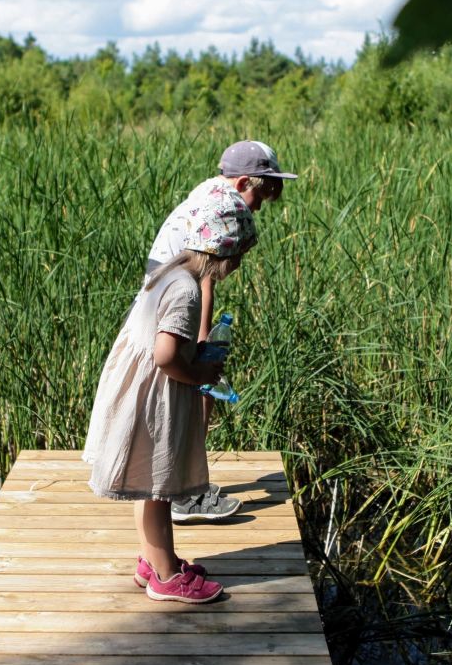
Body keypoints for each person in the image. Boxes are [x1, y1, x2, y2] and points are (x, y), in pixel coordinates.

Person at [83, 188, 258, 603]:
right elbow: (165, 356)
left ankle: (154, 558)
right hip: (155, 397)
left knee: (150, 485)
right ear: (224, 252)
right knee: (159, 488)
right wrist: (197, 370)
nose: (237, 266)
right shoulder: (187, 291)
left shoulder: (168, 272)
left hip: (139, 392)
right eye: (239, 257)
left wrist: (193, 352)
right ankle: (165, 578)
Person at [145, 140, 297, 523]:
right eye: (259, 197)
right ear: (243, 180)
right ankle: (183, 490)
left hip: (166, 296)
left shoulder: (210, 192)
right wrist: (200, 342)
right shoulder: (217, 207)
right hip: (171, 303)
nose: (259, 207)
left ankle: (185, 484)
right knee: (198, 392)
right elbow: (206, 279)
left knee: (202, 390)